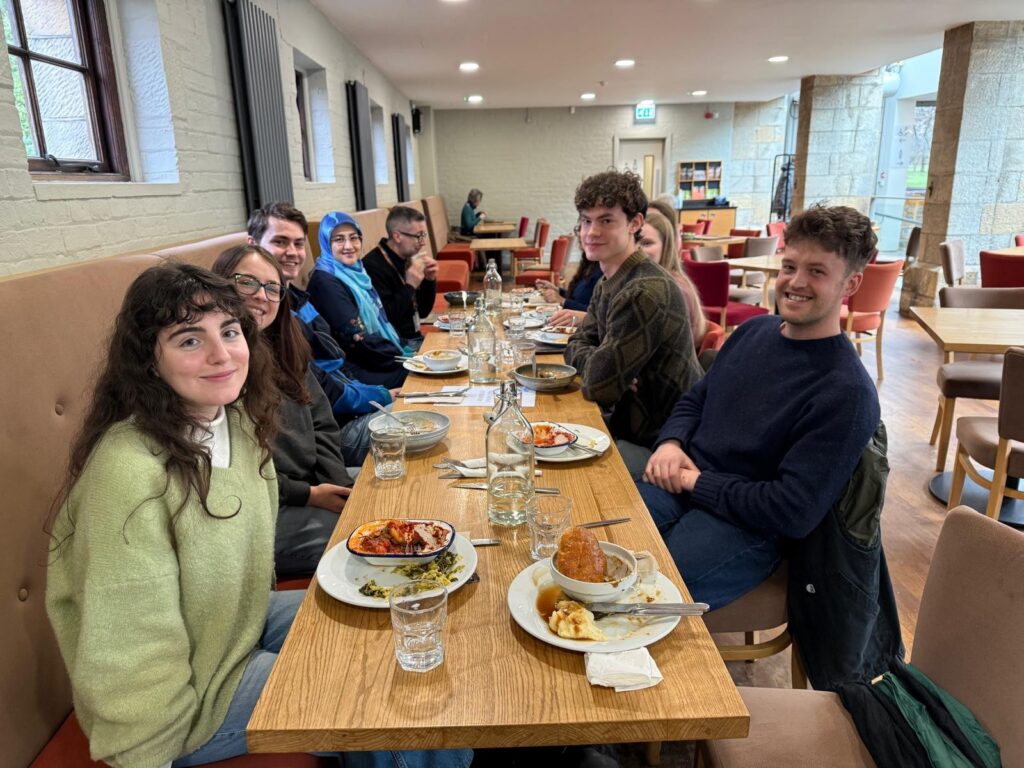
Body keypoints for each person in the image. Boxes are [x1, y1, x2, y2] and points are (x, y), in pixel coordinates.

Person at [45, 263, 471, 768]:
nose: (221, 354)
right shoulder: (127, 473)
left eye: (229, 332)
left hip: (238, 622)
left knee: (396, 616)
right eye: (189, 340)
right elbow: (127, 647)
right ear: (148, 361)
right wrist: (150, 751)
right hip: (182, 705)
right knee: (380, 690)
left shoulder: (238, 423)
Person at [637, 205, 881, 610]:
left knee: (642, 595)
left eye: (817, 271)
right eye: (790, 266)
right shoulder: (754, 331)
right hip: (683, 484)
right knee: (599, 547)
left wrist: (695, 482)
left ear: (851, 283)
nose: (796, 282)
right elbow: (696, 399)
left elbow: (792, 510)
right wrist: (671, 443)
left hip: (748, 524)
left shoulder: (847, 392)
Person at [213, 245, 352, 577]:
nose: (261, 296)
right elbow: (241, 472)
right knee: (359, 537)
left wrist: (337, 485)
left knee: (382, 493)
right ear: (219, 286)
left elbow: (322, 422)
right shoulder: (219, 367)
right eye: (247, 282)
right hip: (260, 509)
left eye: (272, 287)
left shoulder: (284, 346)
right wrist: (310, 495)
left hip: (309, 486)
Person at [563, 170, 702, 453]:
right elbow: (577, 342)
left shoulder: (643, 291)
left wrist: (606, 370)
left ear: (635, 223)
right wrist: (603, 364)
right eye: (586, 221)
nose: (591, 232)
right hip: (628, 425)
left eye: (606, 220)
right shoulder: (610, 280)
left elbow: (599, 387)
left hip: (662, 444)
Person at [247, 202, 395, 465]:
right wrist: (381, 395)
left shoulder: (296, 299)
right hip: (333, 431)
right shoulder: (264, 316)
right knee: (421, 417)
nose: (292, 252)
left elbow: (334, 363)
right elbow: (323, 389)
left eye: (298, 243)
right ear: (253, 244)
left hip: (344, 408)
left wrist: (375, 392)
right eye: (280, 242)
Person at [306, 211, 409, 389]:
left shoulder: (356, 272)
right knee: (419, 375)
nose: (349, 246)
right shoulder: (325, 282)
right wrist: (401, 358)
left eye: (354, 238)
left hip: (371, 358)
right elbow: (357, 339)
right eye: (339, 239)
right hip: (351, 370)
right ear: (326, 243)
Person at [363, 205, 438, 350]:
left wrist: (429, 280)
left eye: (424, 235)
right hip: (396, 345)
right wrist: (409, 286)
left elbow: (423, 311)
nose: (423, 242)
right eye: (418, 236)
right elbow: (385, 318)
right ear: (397, 236)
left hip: (414, 336)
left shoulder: (407, 258)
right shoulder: (372, 266)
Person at [639, 208, 707, 349]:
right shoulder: (651, 282)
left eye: (646, 243)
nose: (637, 250)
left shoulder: (670, 290)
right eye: (633, 242)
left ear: (666, 247)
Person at [536, 256, 602, 328]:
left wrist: (562, 301)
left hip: (582, 327)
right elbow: (578, 297)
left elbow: (595, 313)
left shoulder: (601, 271)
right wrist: (557, 290)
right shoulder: (590, 264)